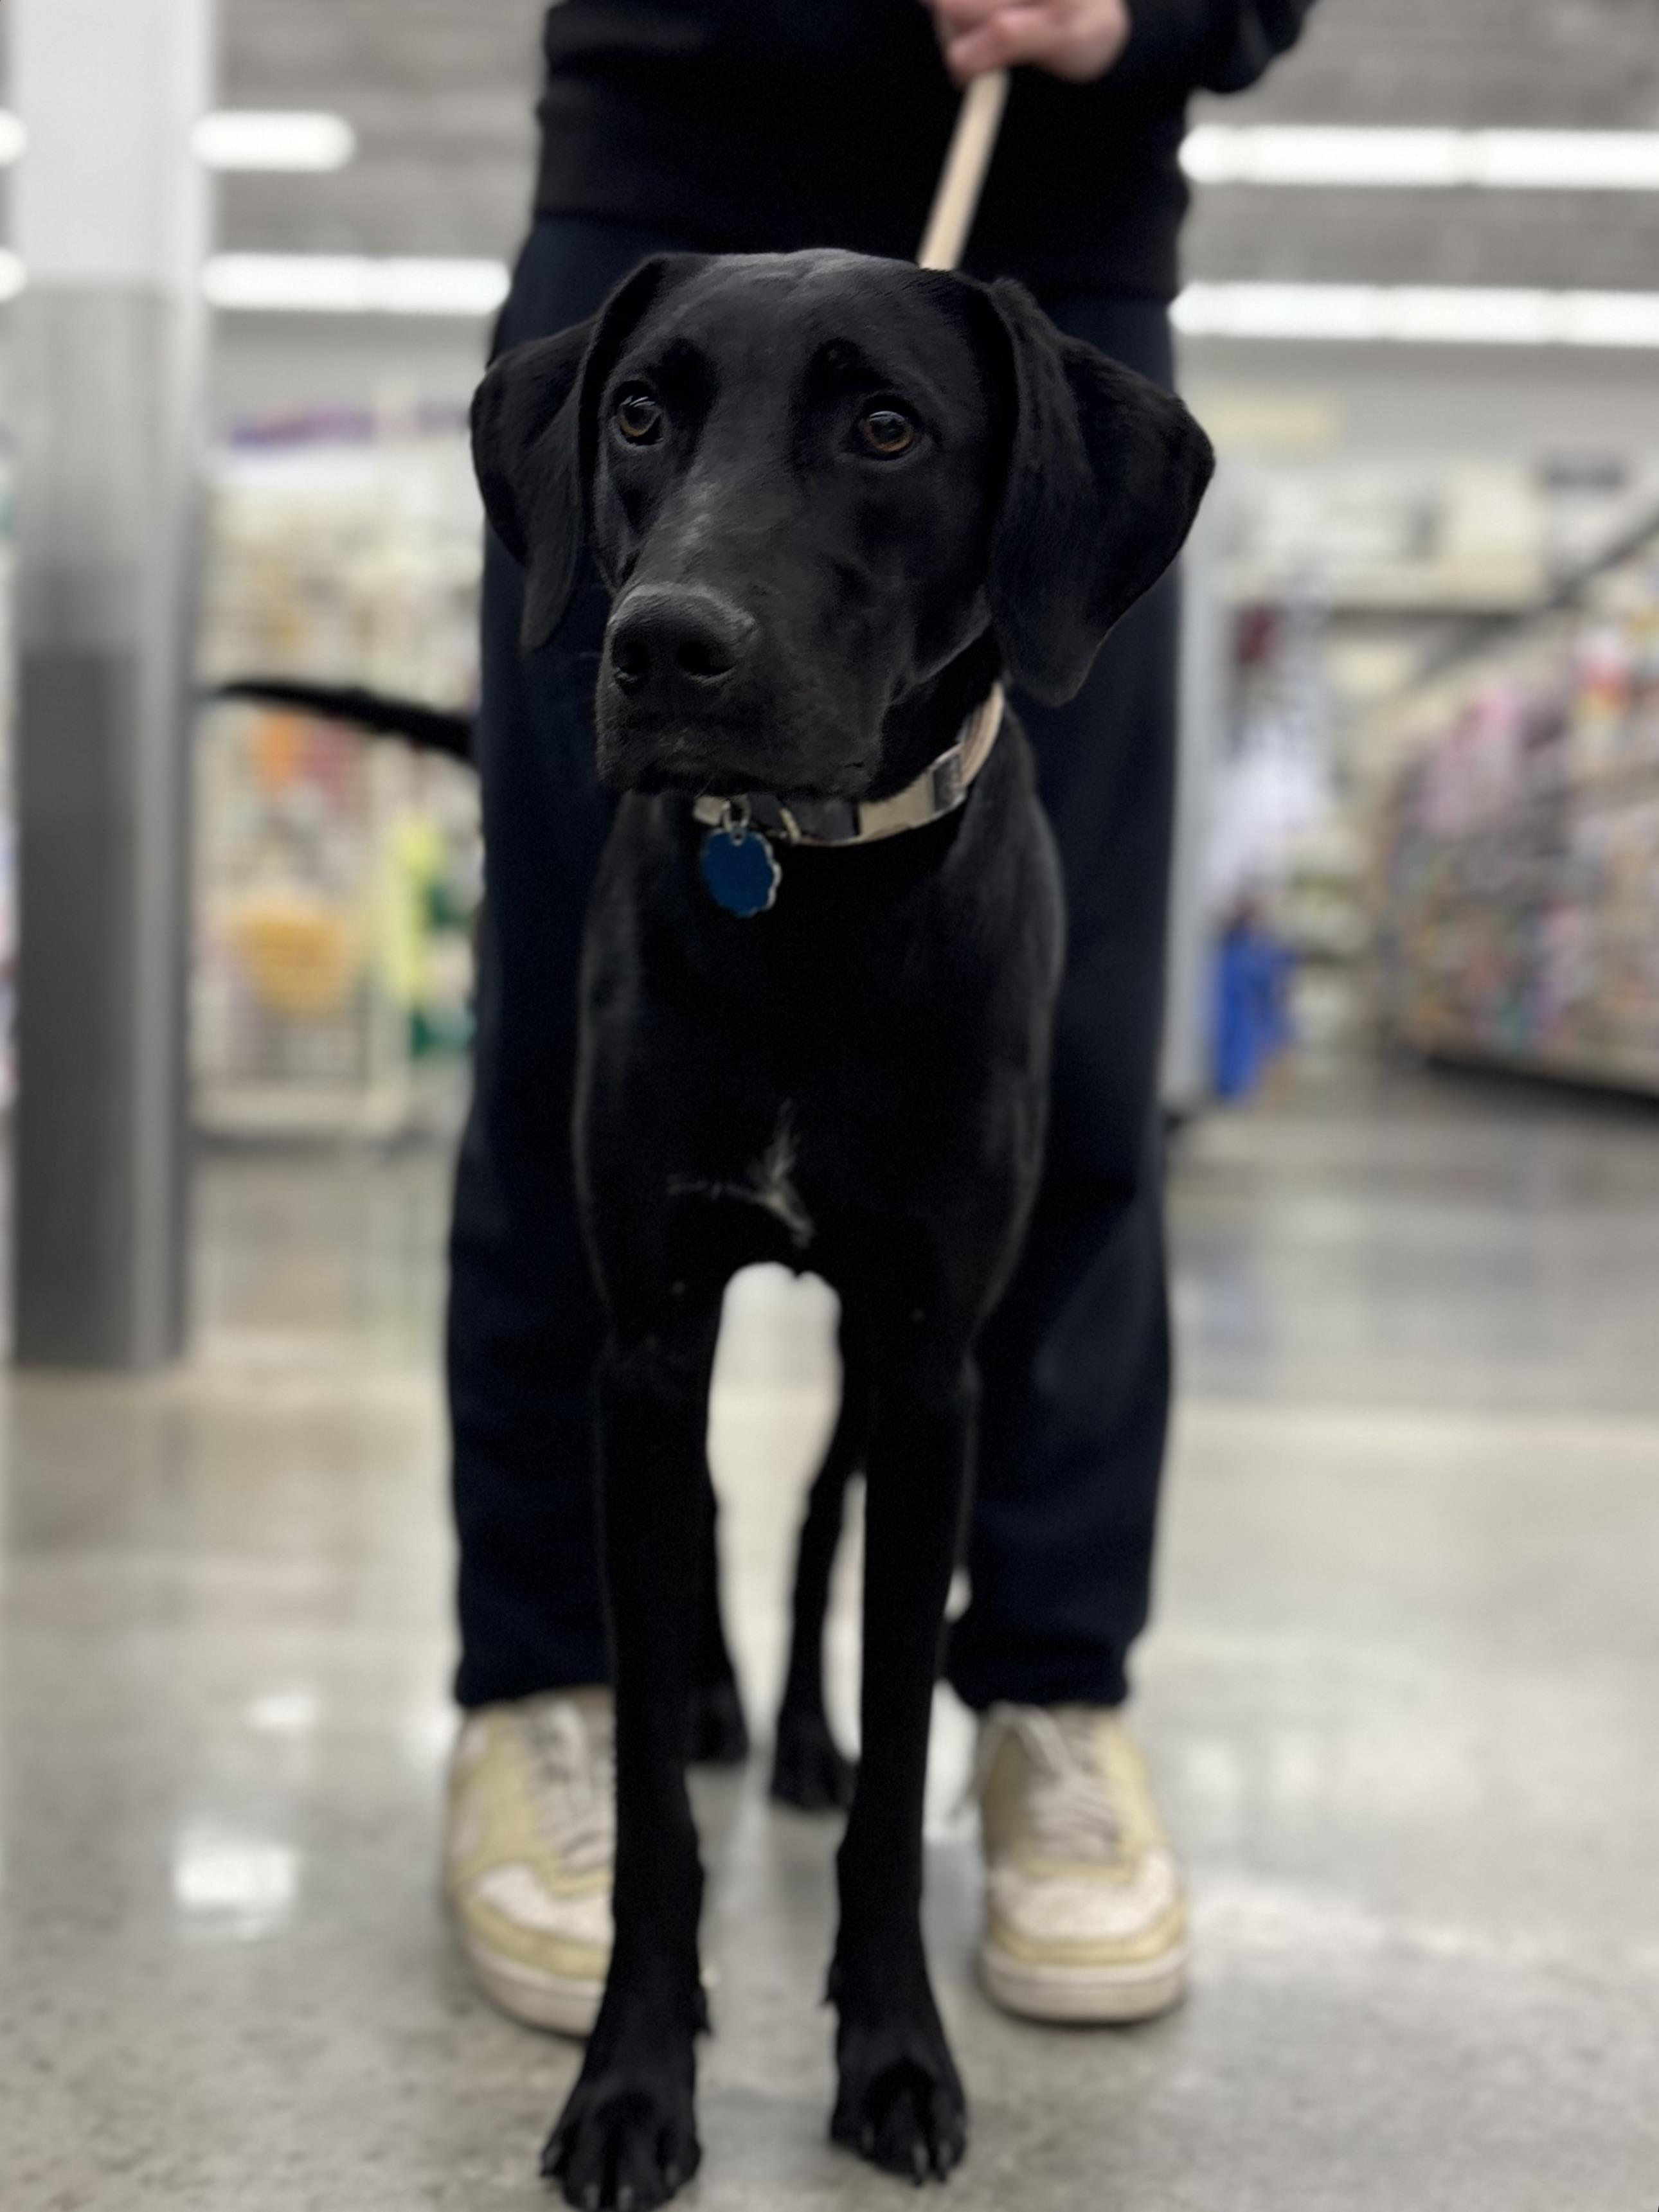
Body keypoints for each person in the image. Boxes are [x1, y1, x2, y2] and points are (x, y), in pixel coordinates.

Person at [444, 0, 1315, 2037]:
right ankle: (555, 1677)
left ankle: (1046, 1691)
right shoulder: (611, 393)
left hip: (1053, 189)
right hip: (659, 158)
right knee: (553, 1060)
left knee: (1074, 1060)